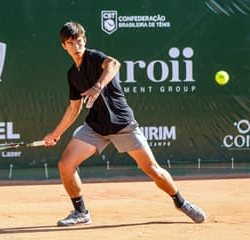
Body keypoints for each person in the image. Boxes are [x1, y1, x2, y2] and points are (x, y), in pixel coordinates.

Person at [44, 21, 206, 226]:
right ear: (64, 46)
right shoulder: (72, 74)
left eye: (79, 41)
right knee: (65, 165)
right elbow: (74, 109)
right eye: (70, 43)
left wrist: (97, 87)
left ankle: (181, 202)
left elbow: (114, 64)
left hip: (121, 124)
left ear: (84, 40)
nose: (76, 46)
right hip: (96, 127)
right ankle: (81, 212)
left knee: (153, 170)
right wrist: (55, 133)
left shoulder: (94, 57)